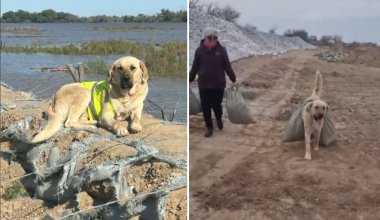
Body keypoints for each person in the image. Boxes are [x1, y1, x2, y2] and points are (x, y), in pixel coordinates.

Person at [189, 27, 236, 137]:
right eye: (210, 37)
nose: (212, 40)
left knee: (216, 105)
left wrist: (232, 77)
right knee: (206, 106)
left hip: (218, 84)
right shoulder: (199, 51)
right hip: (204, 84)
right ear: (205, 38)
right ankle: (209, 127)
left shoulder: (221, 50)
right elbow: (195, 67)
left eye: (215, 38)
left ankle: (219, 118)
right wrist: (190, 78)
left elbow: (227, 66)